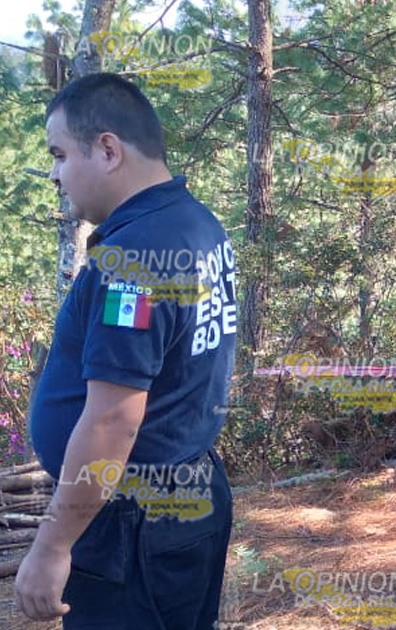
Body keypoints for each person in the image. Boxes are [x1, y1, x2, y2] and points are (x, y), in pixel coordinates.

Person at [19, 73, 237, 629]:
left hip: (133, 527)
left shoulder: (134, 258)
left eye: (60, 155)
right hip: (187, 496)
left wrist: (52, 546)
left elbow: (113, 419)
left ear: (108, 150)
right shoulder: (197, 224)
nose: (54, 173)